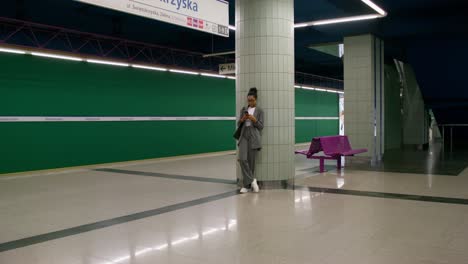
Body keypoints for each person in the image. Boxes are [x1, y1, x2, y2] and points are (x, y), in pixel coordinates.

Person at [237, 87, 264, 193]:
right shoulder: (244, 109)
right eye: (248, 100)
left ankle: (247, 186)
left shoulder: (260, 111)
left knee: (251, 162)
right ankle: (253, 180)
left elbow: (261, 126)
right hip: (244, 135)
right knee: (242, 159)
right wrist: (242, 119)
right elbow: (238, 124)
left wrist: (254, 119)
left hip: (254, 136)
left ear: (256, 99)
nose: (250, 102)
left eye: (252, 100)